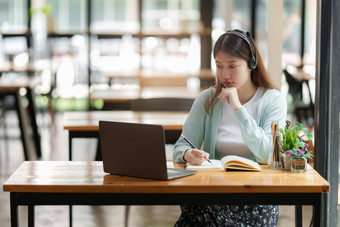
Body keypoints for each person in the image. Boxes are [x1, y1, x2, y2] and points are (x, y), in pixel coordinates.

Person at [173, 29, 287, 226]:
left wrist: (238, 109)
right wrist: (187, 154)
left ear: (251, 64)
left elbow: (269, 155)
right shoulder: (207, 99)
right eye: (219, 66)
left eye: (233, 66)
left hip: (256, 198)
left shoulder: (273, 100)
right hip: (215, 192)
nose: (225, 74)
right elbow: (180, 146)